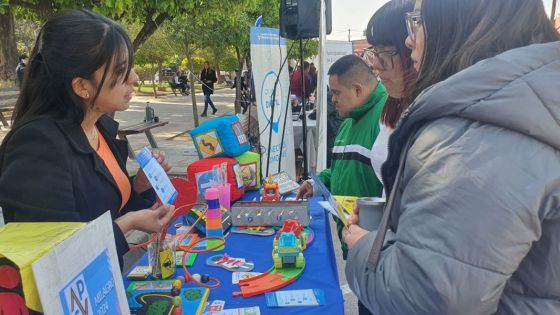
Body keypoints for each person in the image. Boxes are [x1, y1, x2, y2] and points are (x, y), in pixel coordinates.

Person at [344, 0, 560, 314]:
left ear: (459, 22)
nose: (409, 39)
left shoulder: (477, 136)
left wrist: (363, 247)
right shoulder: (519, 106)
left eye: (416, 21)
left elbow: (426, 299)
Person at [0, 10, 176, 269]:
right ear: (82, 86)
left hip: (106, 278)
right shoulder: (38, 145)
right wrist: (128, 224)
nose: (134, 78)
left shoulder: (99, 126)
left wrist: (139, 186)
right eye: (121, 70)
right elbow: (59, 257)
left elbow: (104, 207)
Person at [297, 54, 388, 260]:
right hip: (352, 238)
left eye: (337, 92)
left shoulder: (386, 119)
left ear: (357, 89)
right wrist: (317, 183)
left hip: (374, 247)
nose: (332, 99)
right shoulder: (348, 121)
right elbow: (340, 168)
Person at [362, 0, 415, 196]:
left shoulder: (437, 119)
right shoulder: (393, 107)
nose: (376, 64)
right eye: (375, 52)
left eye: (385, 51)